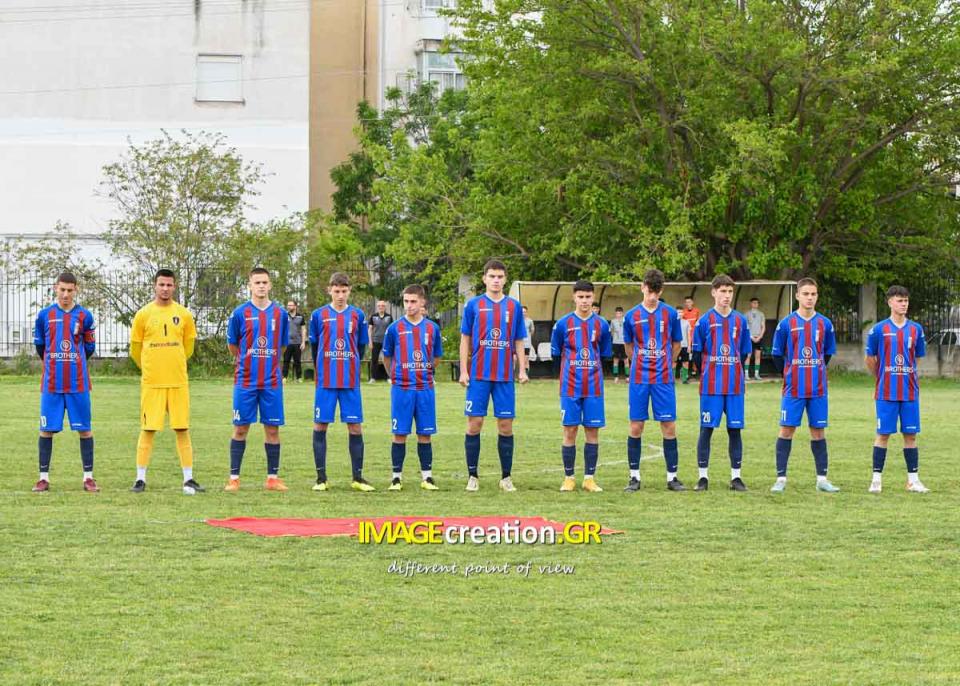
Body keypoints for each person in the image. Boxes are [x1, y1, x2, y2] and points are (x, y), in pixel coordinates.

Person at [129, 269, 204, 495]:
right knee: (148, 429)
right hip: (152, 383)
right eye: (161, 284)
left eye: (169, 285)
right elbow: (135, 349)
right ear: (155, 286)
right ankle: (140, 478)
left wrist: (174, 363)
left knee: (182, 428)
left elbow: (188, 347)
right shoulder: (143, 315)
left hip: (178, 382)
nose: (165, 289)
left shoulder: (184, 315)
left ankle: (188, 478)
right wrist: (150, 367)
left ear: (175, 287)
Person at [460, 259, 529, 491]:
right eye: (492, 276)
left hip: (504, 376)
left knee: (505, 425)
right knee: (475, 423)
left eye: (500, 276)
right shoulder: (473, 305)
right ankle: (473, 476)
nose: (496, 280)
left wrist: (522, 369)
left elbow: (519, 340)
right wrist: (463, 370)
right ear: (484, 279)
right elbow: (465, 339)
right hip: (479, 375)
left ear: (505, 279)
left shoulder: (513, 307)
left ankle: (506, 477)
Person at [769, 278, 839, 493]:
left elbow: (826, 354)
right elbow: (777, 355)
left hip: (818, 389)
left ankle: (822, 479)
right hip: (793, 389)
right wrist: (790, 374)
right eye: (806, 294)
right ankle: (781, 479)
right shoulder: (786, 324)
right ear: (798, 296)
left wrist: (814, 370)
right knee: (786, 430)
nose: (810, 298)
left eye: (813, 294)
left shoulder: (825, 324)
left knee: (818, 432)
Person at [32, 271, 98, 493]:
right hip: (51, 384)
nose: (66, 294)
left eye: (70, 290)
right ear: (55, 288)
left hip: (78, 383)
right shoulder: (44, 316)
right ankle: (43, 478)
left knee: (85, 430)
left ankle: (88, 478)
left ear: (76, 290)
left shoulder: (85, 316)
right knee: (46, 430)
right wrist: (54, 361)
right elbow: (41, 347)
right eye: (62, 289)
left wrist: (74, 361)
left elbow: (89, 347)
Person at [225, 268, 289, 492]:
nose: (261, 286)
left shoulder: (280, 314)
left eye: (264, 282)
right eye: (257, 282)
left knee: (272, 429)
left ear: (270, 285)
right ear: (249, 285)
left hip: (271, 382)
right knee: (241, 428)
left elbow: (281, 346)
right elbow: (233, 346)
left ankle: (272, 478)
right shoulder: (239, 313)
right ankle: (234, 478)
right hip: (245, 381)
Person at [309, 272, 373, 491]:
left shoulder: (358, 315)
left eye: (344, 291)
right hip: (326, 380)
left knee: (355, 427)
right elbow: (315, 345)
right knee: (320, 425)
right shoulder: (318, 315)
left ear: (349, 291)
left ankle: (357, 478)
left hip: (350, 380)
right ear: (329, 290)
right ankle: (321, 479)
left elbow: (361, 346)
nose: (340, 295)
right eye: (336, 291)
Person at [622, 269, 685, 492]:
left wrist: (666, 361)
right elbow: (629, 348)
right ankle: (634, 477)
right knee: (636, 426)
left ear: (661, 291)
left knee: (668, 426)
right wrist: (641, 361)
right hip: (639, 379)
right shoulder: (631, 316)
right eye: (649, 291)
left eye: (656, 293)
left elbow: (677, 344)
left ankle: (672, 477)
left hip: (663, 379)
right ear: (642, 288)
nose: (652, 296)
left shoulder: (670, 314)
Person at [865, 285, 929, 493]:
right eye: (900, 300)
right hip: (886, 392)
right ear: (890, 302)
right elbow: (870, 359)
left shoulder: (915, 329)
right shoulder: (878, 330)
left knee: (910, 435)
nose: (904, 304)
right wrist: (882, 376)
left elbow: (917, 357)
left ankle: (913, 480)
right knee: (883, 434)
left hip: (909, 392)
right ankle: (876, 479)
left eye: (906, 301)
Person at [691, 274, 752, 491]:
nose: (727, 296)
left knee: (734, 431)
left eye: (730, 291)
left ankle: (736, 477)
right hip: (711, 386)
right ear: (713, 292)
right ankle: (703, 477)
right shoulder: (704, 321)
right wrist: (709, 372)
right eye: (723, 291)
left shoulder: (740, 321)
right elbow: (697, 354)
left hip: (734, 387)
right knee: (706, 429)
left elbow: (745, 351)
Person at [550, 280, 612, 492]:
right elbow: (556, 355)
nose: (584, 301)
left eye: (588, 297)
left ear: (593, 298)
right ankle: (569, 478)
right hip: (569, 387)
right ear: (574, 298)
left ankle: (589, 478)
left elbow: (605, 355)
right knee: (569, 431)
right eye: (580, 297)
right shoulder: (562, 324)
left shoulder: (602, 324)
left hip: (594, 387)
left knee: (592, 432)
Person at [382, 285, 443, 491]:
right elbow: (387, 356)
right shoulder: (394, 328)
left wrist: (425, 371)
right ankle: (396, 477)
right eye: (406, 301)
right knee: (399, 433)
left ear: (422, 302)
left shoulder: (432, 328)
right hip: (402, 389)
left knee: (424, 433)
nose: (409, 305)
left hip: (425, 388)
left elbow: (437, 357)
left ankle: (427, 477)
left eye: (413, 301)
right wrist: (395, 376)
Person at [368, 300, 393, 383]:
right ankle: (373, 378)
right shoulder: (373, 316)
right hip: (375, 341)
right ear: (377, 307)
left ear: (385, 307)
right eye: (379, 306)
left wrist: (391, 341)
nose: (381, 307)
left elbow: (391, 330)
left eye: (382, 305)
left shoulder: (389, 317)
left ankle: (388, 377)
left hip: (386, 341)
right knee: (374, 359)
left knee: (387, 359)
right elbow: (370, 329)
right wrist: (370, 342)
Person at [282, 300, 306, 382]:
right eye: (288, 305)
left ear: (295, 306)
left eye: (291, 305)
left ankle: (299, 378)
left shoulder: (301, 317)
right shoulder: (284, 316)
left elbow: (303, 329)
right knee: (286, 361)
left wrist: (303, 342)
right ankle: (284, 378)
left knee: (297, 361)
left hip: (297, 343)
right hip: (287, 343)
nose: (289, 307)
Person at [746, 297, 766, 380]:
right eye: (754, 303)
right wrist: (751, 336)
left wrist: (760, 336)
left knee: (758, 356)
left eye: (757, 303)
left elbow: (763, 326)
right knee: (748, 356)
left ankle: (756, 374)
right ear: (751, 304)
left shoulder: (761, 314)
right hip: (749, 337)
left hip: (758, 337)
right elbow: (746, 327)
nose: (755, 304)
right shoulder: (747, 314)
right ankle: (746, 374)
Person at [681, 296, 701, 377]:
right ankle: (686, 373)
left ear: (692, 302)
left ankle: (695, 370)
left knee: (695, 353)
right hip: (686, 337)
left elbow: (698, 323)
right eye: (686, 302)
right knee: (686, 355)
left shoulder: (697, 311)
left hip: (695, 337)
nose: (688, 304)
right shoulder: (683, 312)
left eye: (689, 302)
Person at [610, 306, 627, 383]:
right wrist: (615, 337)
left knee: (626, 360)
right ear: (615, 314)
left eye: (620, 313)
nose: (618, 315)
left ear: (622, 313)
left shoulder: (626, 321)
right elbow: (611, 331)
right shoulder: (613, 321)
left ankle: (627, 377)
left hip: (624, 343)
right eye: (617, 313)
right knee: (615, 360)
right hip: (615, 343)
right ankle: (616, 377)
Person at [675, 306, 691, 384]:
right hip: (675, 346)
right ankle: (671, 379)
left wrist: (689, 345)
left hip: (684, 345)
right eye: (678, 312)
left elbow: (689, 335)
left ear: (683, 313)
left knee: (686, 362)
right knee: (673, 362)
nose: (680, 313)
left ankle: (684, 379)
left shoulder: (686, 322)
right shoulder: (672, 322)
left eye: (681, 312)